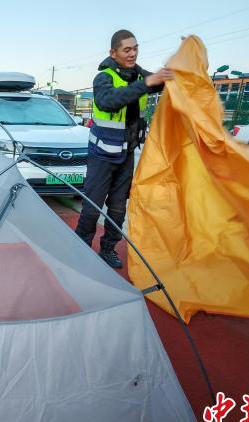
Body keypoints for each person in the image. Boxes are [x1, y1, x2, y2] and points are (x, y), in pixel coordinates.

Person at [74, 29, 174, 268]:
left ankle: (108, 248)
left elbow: (166, 81)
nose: (132, 54)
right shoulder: (104, 78)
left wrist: (180, 62)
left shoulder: (140, 75)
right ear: (113, 53)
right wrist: (146, 83)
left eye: (135, 48)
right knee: (92, 208)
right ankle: (79, 249)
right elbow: (108, 101)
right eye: (127, 50)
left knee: (118, 209)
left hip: (126, 155)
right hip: (101, 156)